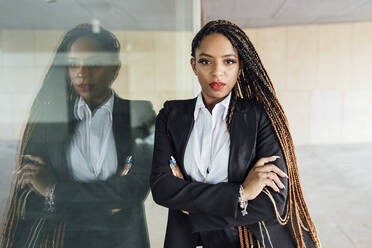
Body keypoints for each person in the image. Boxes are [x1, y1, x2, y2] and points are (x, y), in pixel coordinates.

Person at [150, 20, 321, 248]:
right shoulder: (171, 115)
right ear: (194, 66)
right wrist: (241, 193)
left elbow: (272, 203)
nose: (217, 71)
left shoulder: (260, 117)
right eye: (205, 61)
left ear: (240, 68)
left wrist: (190, 206)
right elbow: (162, 187)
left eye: (228, 61)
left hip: (248, 241)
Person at [0, 23, 154, 248]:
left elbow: (133, 189)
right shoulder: (50, 124)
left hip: (122, 242)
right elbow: (31, 196)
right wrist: (108, 198)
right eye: (73, 65)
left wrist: (54, 190)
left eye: (94, 64)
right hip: (64, 241)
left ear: (115, 68)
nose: (81, 73)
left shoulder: (141, 115)